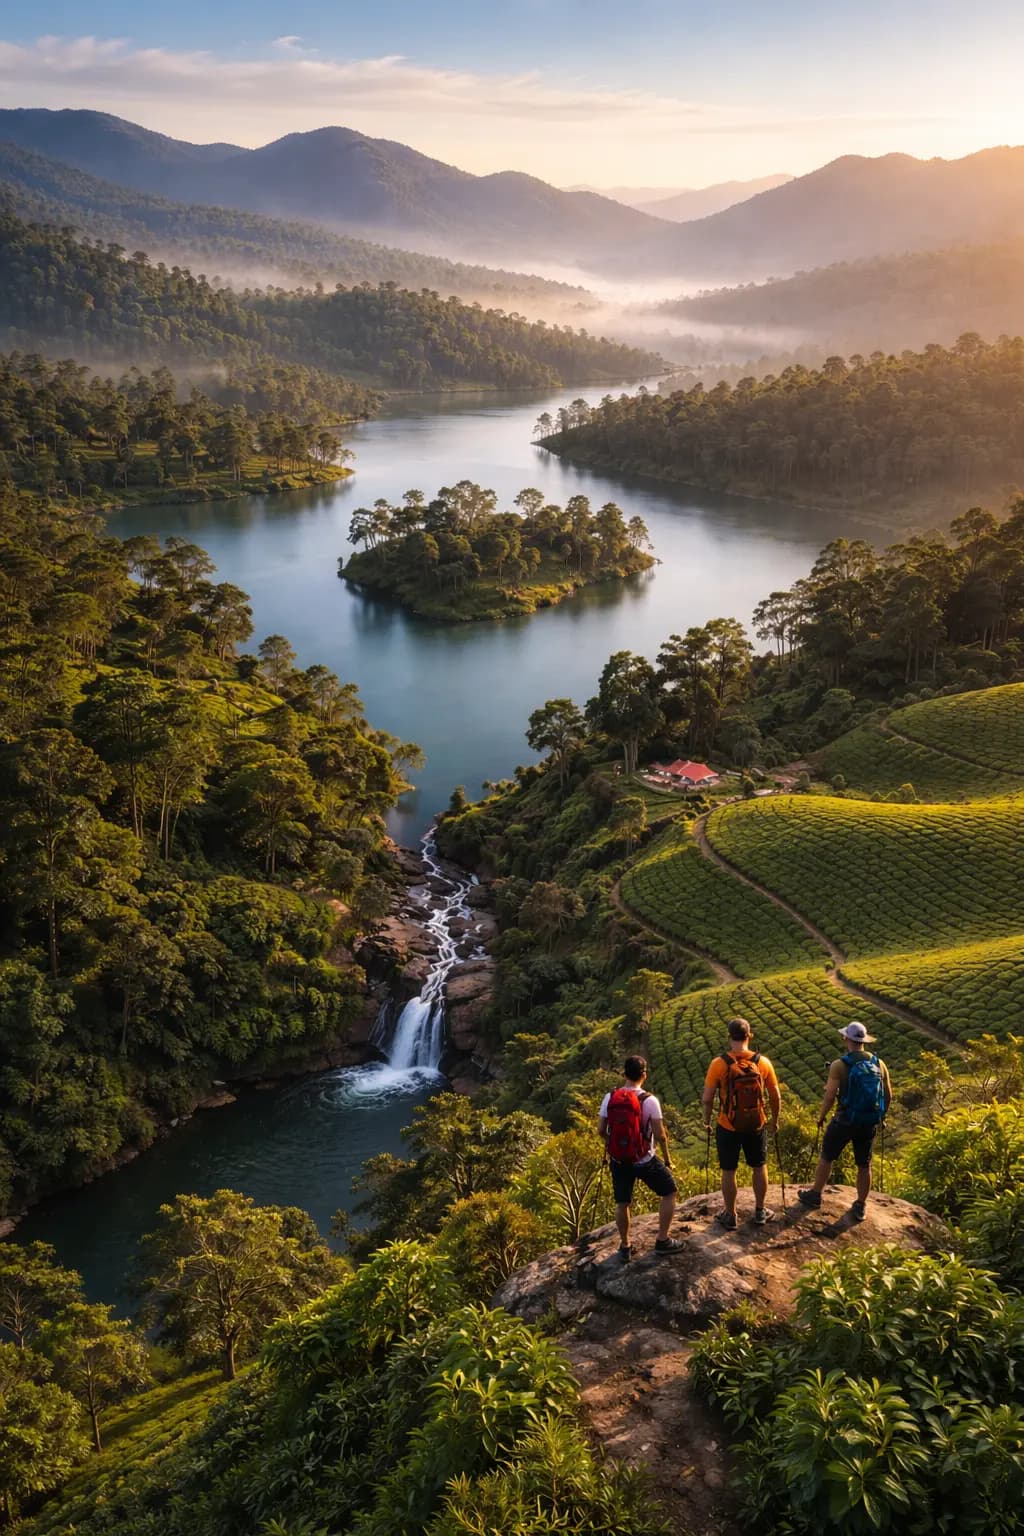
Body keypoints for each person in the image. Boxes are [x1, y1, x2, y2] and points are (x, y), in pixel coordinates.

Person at [798, 1021, 892, 1221]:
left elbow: (830, 1096)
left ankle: (815, 1194)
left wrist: (821, 1116)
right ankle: (860, 1205)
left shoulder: (839, 1065)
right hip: (868, 1121)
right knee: (864, 1164)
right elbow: (888, 1094)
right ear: (864, 1040)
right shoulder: (878, 1063)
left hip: (844, 1120)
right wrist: (881, 1117)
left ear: (846, 1039)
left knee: (827, 1156)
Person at [598, 1055, 682, 1258]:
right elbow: (660, 1135)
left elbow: (601, 1130)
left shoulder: (610, 1097)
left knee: (622, 1202)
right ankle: (662, 1240)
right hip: (644, 1160)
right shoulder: (650, 1100)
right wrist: (668, 1159)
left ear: (624, 1074)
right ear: (644, 1075)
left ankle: (625, 1246)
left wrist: (616, 1145)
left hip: (619, 1159)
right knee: (669, 1192)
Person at [702, 1016, 782, 1230]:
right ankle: (760, 1210)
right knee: (759, 1166)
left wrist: (706, 1120)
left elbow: (708, 1098)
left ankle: (730, 1214)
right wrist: (775, 1120)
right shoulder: (763, 1062)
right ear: (750, 1036)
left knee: (729, 1170)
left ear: (729, 1037)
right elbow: (775, 1096)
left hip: (728, 1125)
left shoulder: (718, 1064)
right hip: (757, 1123)